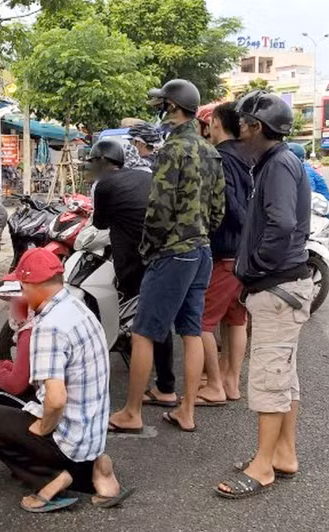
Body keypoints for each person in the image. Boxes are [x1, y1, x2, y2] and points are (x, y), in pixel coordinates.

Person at [0, 248, 132, 513]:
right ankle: (95, 468)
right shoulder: (78, 308)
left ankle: (48, 479)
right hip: (91, 436)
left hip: (68, 441)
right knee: (12, 405)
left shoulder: (49, 326)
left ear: (33, 285)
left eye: (22, 286)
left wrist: (42, 428)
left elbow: (56, 400)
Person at [109, 79, 225, 434]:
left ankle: (132, 412)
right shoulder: (209, 151)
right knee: (191, 331)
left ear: (172, 107)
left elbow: (158, 210)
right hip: (201, 251)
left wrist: (148, 248)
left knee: (144, 332)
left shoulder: (172, 150)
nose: (159, 109)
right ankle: (186, 410)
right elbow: (218, 210)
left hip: (173, 253)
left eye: (162, 104)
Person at [215, 90, 313, 499]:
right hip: (280, 286)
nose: (238, 131)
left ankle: (263, 466)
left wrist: (255, 267)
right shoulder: (274, 163)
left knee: (270, 378)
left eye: (243, 124)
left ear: (257, 127)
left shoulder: (278, 165)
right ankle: (283, 455)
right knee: (283, 376)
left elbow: (282, 225)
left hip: (278, 287)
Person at [88, 137, 177, 407]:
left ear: (101, 162)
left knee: (145, 328)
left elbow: (99, 223)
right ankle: (164, 383)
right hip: (165, 255)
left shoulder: (105, 185)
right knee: (159, 321)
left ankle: (157, 392)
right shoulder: (145, 176)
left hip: (137, 259)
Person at [196, 102, 253, 405]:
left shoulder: (219, 158)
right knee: (235, 319)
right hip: (244, 253)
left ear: (215, 122)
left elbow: (228, 205)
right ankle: (231, 381)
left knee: (200, 321)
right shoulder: (249, 156)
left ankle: (215, 386)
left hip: (225, 251)